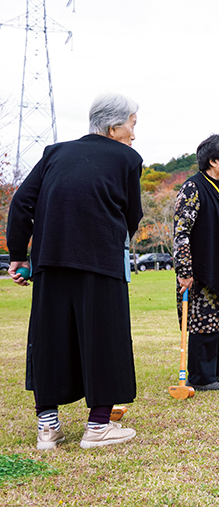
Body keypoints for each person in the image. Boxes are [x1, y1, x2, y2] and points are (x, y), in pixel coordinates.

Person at [6, 93, 142, 449]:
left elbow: (22, 203)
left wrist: (18, 255)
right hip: (100, 258)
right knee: (104, 338)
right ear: (114, 127)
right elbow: (133, 215)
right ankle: (97, 427)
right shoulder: (127, 158)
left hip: (50, 259)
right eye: (132, 124)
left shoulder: (54, 153)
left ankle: (47, 430)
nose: (133, 132)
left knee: (49, 338)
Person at [173, 134, 219, 391]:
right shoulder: (193, 187)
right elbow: (181, 231)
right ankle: (201, 377)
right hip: (201, 270)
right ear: (214, 160)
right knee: (204, 319)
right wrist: (184, 270)